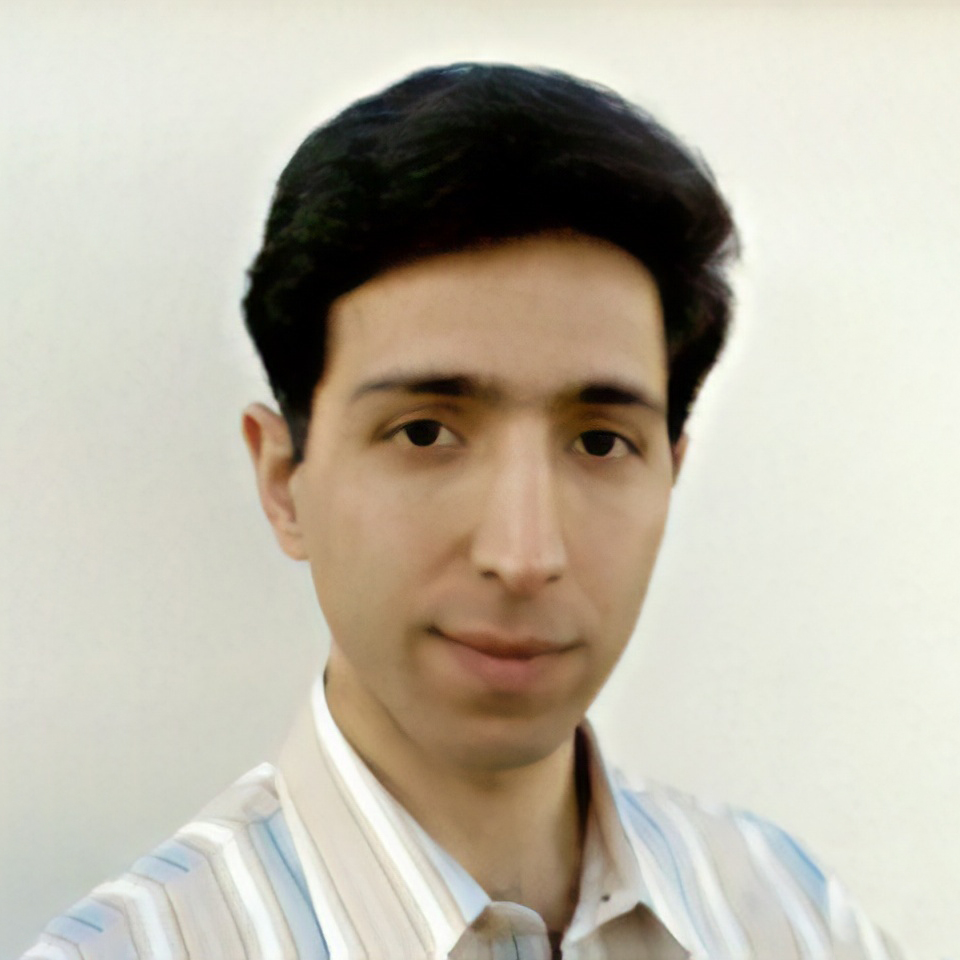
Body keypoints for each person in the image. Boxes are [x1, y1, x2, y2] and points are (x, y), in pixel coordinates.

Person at [22, 62, 910, 960]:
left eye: (601, 442)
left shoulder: (793, 915)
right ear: (286, 481)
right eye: (424, 432)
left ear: (669, 475)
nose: (525, 555)